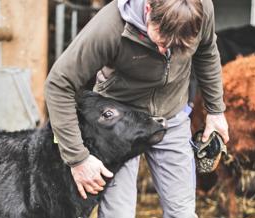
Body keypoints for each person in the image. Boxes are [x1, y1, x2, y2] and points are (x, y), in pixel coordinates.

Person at [44, 0, 229, 217]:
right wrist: (78, 158)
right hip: (119, 125)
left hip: (172, 115)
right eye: (160, 41)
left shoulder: (201, 9)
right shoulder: (110, 27)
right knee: (118, 213)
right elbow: (58, 83)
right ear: (148, 10)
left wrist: (216, 111)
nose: (164, 51)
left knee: (183, 213)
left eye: (174, 47)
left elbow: (206, 50)